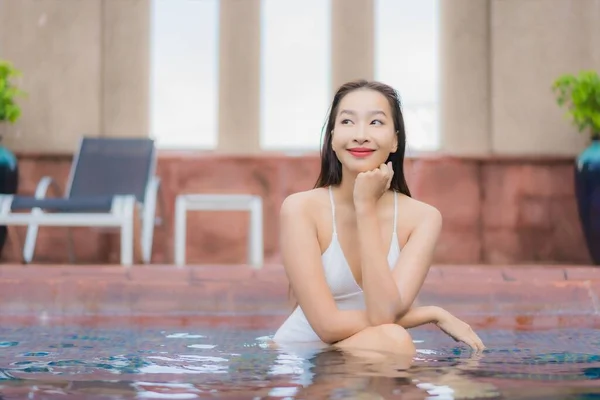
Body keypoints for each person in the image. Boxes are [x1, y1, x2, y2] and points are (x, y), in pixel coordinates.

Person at [272, 80, 485, 358]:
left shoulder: (423, 218)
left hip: (372, 353)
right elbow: (326, 326)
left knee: (393, 340)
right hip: (303, 359)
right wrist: (429, 313)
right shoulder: (301, 208)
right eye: (348, 121)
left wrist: (365, 207)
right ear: (333, 136)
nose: (361, 135)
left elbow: (384, 312)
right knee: (394, 341)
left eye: (375, 122)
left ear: (395, 140)